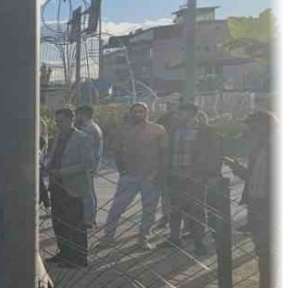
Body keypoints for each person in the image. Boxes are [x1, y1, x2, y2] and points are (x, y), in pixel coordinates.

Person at [98, 103, 165, 251]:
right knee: (117, 208)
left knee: (149, 210)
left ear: (147, 113)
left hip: (151, 176)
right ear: (130, 113)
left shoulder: (157, 130)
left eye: (141, 112)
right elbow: (116, 151)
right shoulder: (122, 131)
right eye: (135, 112)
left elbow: (164, 153)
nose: (138, 114)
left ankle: (143, 238)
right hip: (129, 176)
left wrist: (159, 174)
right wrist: (122, 170)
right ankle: (108, 237)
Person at [226, 111, 274, 288]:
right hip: (258, 204)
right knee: (263, 249)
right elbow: (252, 176)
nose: (249, 130)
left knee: (266, 249)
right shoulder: (259, 147)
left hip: (269, 206)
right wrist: (235, 167)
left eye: (252, 126)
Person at [162, 103, 221, 256]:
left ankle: (199, 242)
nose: (178, 116)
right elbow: (168, 152)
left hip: (196, 177)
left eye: (181, 113)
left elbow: (214, 153)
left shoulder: (205, 131)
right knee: (175, 209)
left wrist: (211, 174)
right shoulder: (174, 130)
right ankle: (174, 238)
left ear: (191, 114)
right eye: (178, 113)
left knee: (197, 211)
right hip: (176, 176)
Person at [45, 107, 95, 268]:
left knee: (75, 224)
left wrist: (62, 172)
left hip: (73, 187)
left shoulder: (83, 139)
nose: (58, 125)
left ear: (71, 120)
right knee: (59, 223)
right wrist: (46, 166)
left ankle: (79, 258)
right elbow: (53, 157)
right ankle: (64, 253)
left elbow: (88, 164)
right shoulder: (58, 137)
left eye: (61, 121)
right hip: (56, 186)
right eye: (57, 122)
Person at [74, 105, 104, 229]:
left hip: (87, 166)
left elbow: (88, 150)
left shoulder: (89, 129)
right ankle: (89, 218)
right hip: (89, 165)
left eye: (78, 115)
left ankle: (88, 220)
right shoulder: (91, 127)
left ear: (83, 114)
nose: (76, 118)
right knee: (88, 193)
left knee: (87, 194)